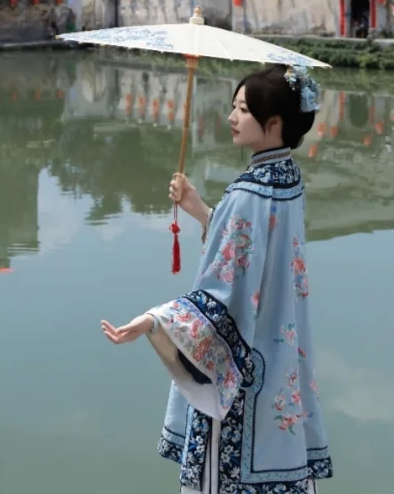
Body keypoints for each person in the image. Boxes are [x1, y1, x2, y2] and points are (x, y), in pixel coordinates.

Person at [100, 64, 334, 494]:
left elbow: (221, 295)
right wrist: (201, 210)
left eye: (243, 109)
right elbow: (252, 252)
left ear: (273, 123)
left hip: (246, 362)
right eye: (234, 106)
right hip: (279, 350)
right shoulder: (287, 177)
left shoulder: (247, 192)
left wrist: (157, 320)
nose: (231, 117)